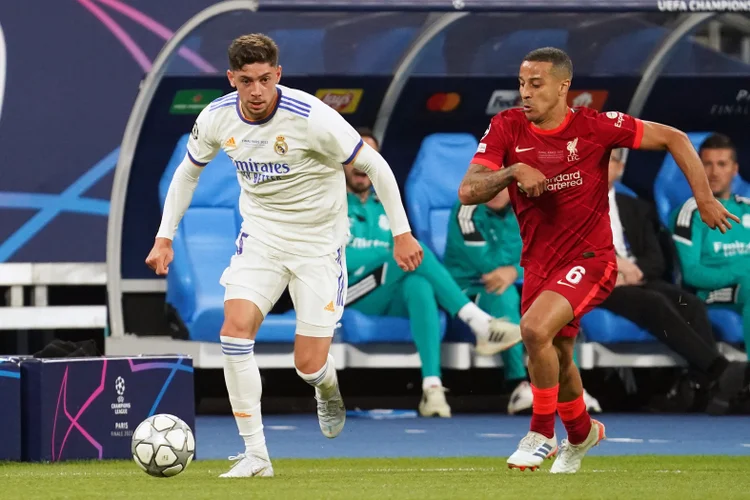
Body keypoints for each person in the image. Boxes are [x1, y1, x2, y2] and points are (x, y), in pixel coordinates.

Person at [145, 34, 424, 478]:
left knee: (307, 364)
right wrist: (164, 238)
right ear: (231, 79)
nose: (256, 91)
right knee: (233, 334)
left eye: (264, 79)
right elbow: (187, 174)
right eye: (246, 81)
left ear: (278, 75)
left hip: (318, 246)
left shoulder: (312, 117)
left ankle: (325, 385)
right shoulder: (217, 117)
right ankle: (257, 456)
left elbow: (375, 166)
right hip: (261, 240)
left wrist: (402, 233)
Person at [457, 46, 740, 474]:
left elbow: (675, 138)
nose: (525, 93)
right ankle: (582, 431)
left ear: (563, 87)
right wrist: (512, 172)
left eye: (536, 84)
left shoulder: (597, 126)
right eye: (521, 84)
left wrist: (702, 199)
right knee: (558, 353)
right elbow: (468, 189)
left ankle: (540, 433)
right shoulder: (506, 126)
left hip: (591, 258)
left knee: (534, 329)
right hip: (539, 263)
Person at [345, 129, 522, 418]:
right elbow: (341, 258)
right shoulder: (330, 201)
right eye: (356, 156)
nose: (362, 164)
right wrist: (388, 253)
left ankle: (432, 389)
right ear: (343, 161)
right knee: (415, 250)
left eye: (370, 156)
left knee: (419, 286)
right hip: (349, 292)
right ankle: (479, 323)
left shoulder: (387, 204)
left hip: (386, 288)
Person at [603, 148, 749, 414]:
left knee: (690, 302)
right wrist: (614, 268)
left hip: (637, 278)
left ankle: (700, 383)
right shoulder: (576, 207)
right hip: (600, 283)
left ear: (620, 169)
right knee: (653, 301)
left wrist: (635, 271)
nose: (601, 168)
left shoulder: (636, 207)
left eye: (609, 161)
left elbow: (656, 261)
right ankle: (718, 370)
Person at [442, 189, 602, 415]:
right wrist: (517, 268)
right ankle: (518, 385)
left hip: (519, 279)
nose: (495, 191)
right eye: (490, 182)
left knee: (555, 298)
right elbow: (489, 265)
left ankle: (568, 385)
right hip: (469, 287)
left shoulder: (530, 206)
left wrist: (514, 270)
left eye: (502, 183)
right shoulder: (466, 210)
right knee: (503, 294)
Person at [672, 133, 750, 361]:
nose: (714, 172)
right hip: (708, 294)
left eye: (722, 164)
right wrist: (743, 271)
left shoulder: (747, 208)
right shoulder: (690, 213)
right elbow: (692, 274)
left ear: (734, 169)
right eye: (707, 164)